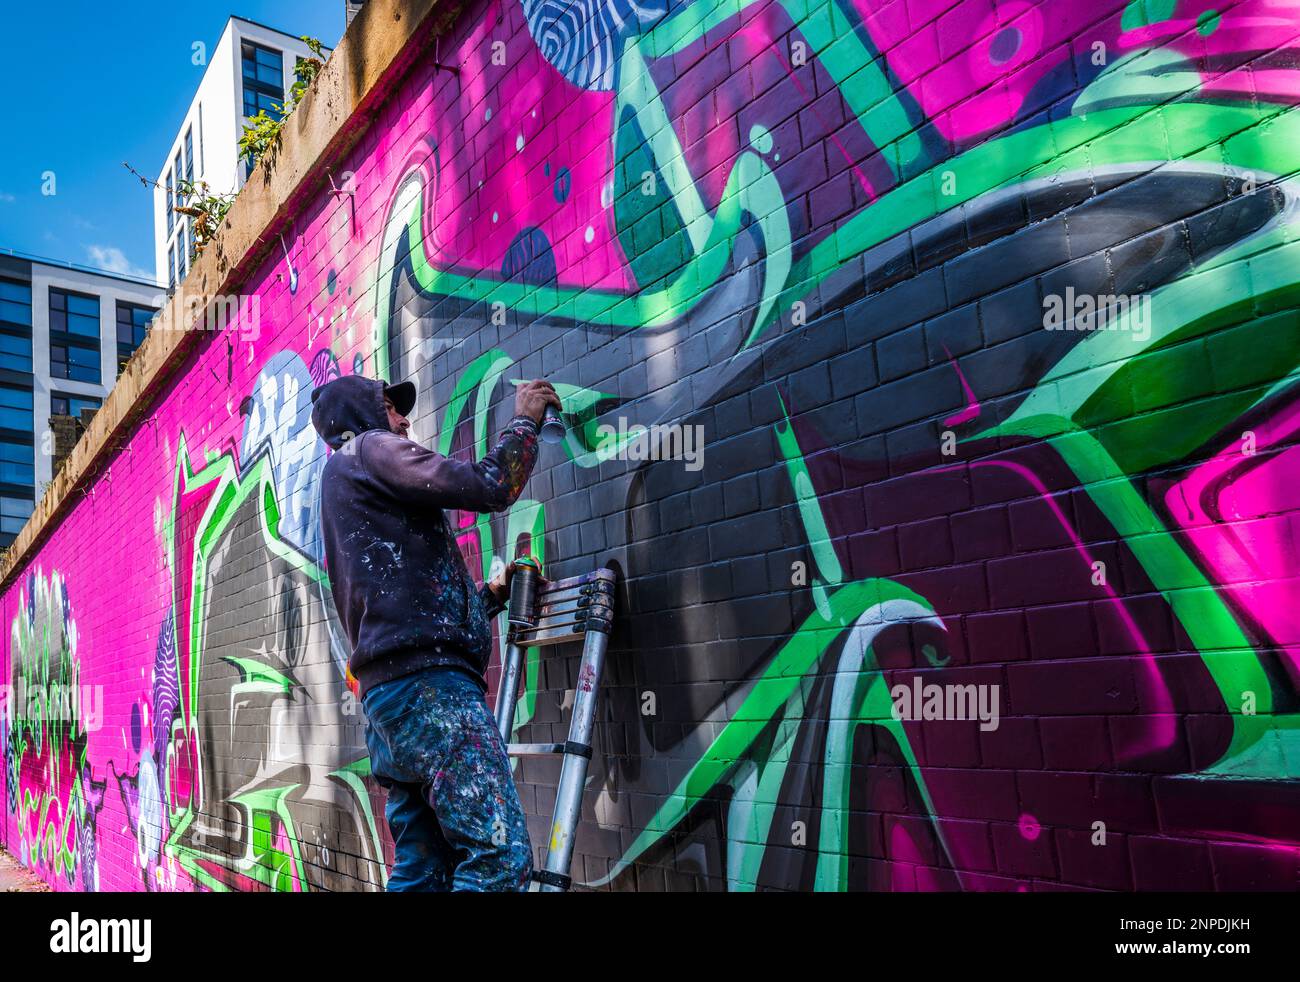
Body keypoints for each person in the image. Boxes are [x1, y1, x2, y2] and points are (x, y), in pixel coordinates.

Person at [309, 373, 560, 891]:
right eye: (388, 407)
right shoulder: (370, 449)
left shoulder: (340, 484)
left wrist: (491, 595)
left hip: (392, 704)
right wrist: (524, 421)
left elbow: (409, 610)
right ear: (360, 416)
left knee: (423, 869)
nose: (402, 419)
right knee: (498, 859)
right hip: (431, 695)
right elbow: (492, 485)